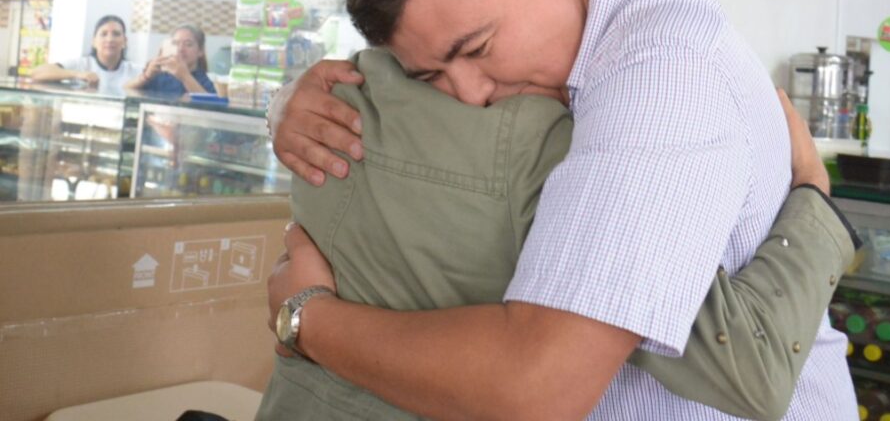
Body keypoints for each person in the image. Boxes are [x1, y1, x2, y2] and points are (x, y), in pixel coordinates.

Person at [267, 0, 858, 419]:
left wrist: (307, 317)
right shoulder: (544, 54)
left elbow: (542, 388)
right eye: (432, 77)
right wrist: (288, 103)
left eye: (477, 49)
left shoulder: (665, 73)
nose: (470, 94)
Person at [257, 48, 858, 421]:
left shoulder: (340, 92)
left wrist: (281, 105)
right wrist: (813, 193)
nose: (473, 88)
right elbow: (748, 364)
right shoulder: (542, 148)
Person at [29, 15, 143, 96]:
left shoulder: (135, 71)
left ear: (125, 41)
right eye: (103, 34)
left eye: (116, 34)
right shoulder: (81, 64)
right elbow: (36, 73)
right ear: (94, 41)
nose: (109, 39)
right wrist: (77, 75)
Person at [125, 24, 216, 97]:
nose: (180, 49)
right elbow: (124, 92)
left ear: (200, 51)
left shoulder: (204, 81)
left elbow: (211, 105)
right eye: (175, 43)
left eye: (188, 44)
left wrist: (184, 76)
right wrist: (146, 76)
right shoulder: (161, 77)